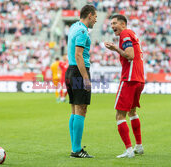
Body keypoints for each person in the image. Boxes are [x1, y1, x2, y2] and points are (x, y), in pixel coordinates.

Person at [104, 14, 145, 158]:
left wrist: (115, 49)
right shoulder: (132, 33)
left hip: (129, 78)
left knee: (119, 115)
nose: (112, 26)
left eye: (114, 23)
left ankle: (128, 150)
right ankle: (138, 146)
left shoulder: (125, 33)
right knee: (132, 112)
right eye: (111, 24)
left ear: (123, 24)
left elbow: (130, 55)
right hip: (139, 79)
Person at [65, 5, 97, 158]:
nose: (96, 19)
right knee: (81, 110)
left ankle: (74, 147)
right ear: (89, 15)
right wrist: (85, 78)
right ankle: (76, 149)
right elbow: (79, 55)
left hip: (70, 70)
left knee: (74, 110)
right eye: (95, 16)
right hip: (79, 72)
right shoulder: (83, 31)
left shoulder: (73, 27)